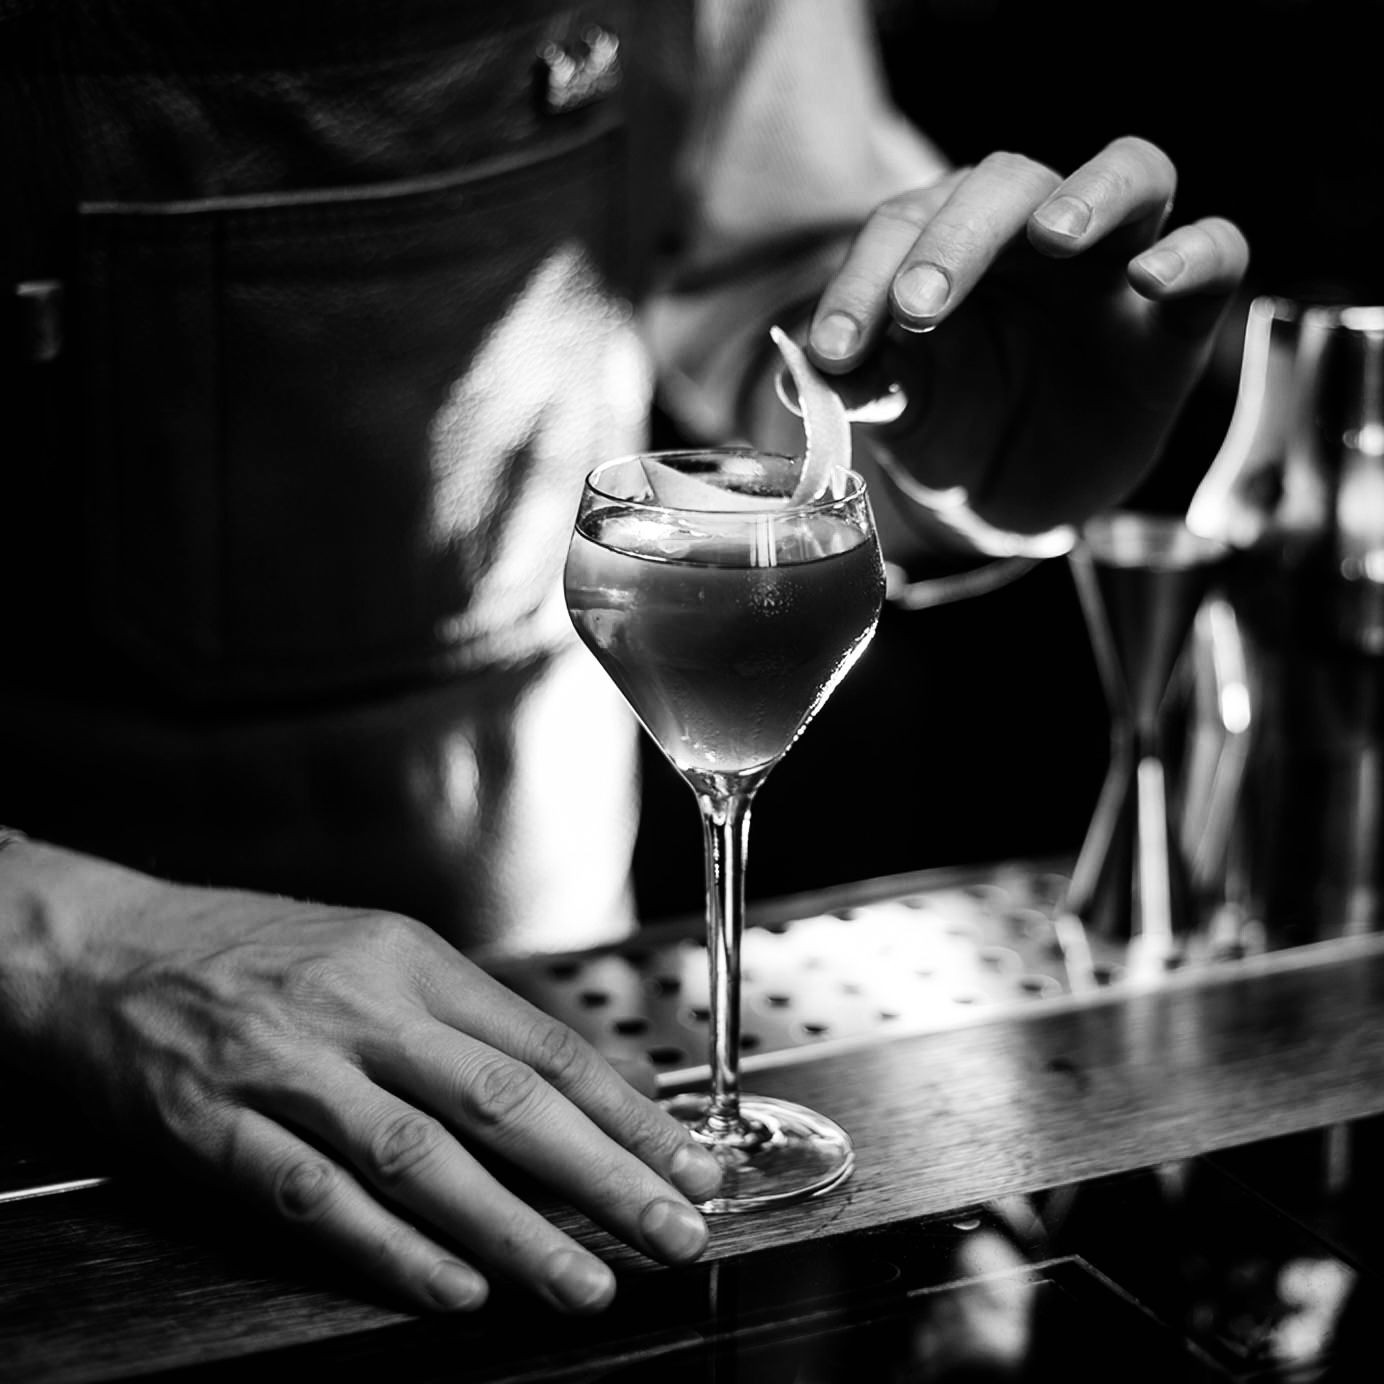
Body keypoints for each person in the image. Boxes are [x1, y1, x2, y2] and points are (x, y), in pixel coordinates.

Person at [0, 0, 1248, 1318]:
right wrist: (58, 943)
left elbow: (797, 351)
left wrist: (953, 454)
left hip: (549, 1089)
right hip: (55, 1131)